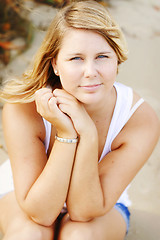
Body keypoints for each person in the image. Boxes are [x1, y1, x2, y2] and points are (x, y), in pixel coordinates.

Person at [0, 0, 159, 239]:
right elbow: (41, 213)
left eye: (102, 56)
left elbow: (84, 211)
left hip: (99, 200)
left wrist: (88, 134)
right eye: (76, 58)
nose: (90, 71)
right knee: (30, 233)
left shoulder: (138, 119)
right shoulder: (23, 107)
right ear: (55, 63)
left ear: (117, 59)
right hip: (27, 191)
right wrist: (67, 134)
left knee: (79, 235)